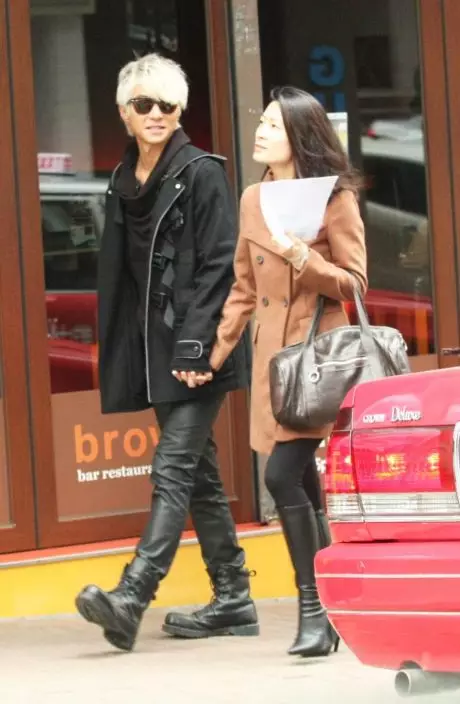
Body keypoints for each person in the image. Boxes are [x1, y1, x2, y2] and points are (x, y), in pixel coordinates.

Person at [171, 86, 367, 657]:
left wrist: (303, 255)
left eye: (275, 125)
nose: (261, 132)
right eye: (263, 122)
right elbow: (243, 287)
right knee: (302, 482)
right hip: (273, 362)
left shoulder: (335, 198)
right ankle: (337, 606)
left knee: (281, 477)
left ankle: (314, 610)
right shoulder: (254, 198)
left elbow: (355, 284)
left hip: (318, 361)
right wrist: (212, 354)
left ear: (301, 137)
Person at [75, 53, 258, 651]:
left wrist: (195, 346)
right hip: (154, 351)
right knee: (200, 477)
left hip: (198, 349)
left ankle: (132, 595)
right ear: (124, 113)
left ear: (180, 111)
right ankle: (234, 597)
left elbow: (220, 266)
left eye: (168, 104)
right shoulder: (122, 182)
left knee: (173, 469)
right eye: (144, 104)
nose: (156, 114)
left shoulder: (202, 173)